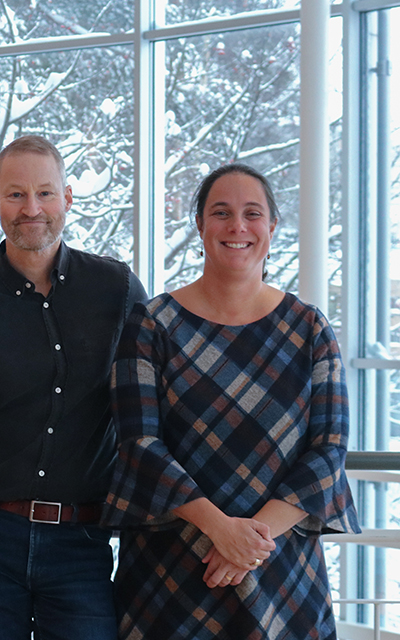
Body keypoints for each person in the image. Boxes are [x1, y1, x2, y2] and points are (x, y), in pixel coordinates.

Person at [102, 163, 361, 639]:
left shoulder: (309, 329)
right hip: (171, 572)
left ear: (272, 227)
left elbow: (329, 451)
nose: (237, 227)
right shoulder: (151, 324)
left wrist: (248, 542)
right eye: (221, 213)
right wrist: (219, 530)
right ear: (200, 225)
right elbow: (139, 444)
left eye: (252, 213)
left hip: (283, 574)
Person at [0, 135, 147, 640]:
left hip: (83, 541)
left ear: (67, 198)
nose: (32, 208)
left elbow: (150, 413)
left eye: (45, 193)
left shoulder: (117, 291)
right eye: (16, 194)